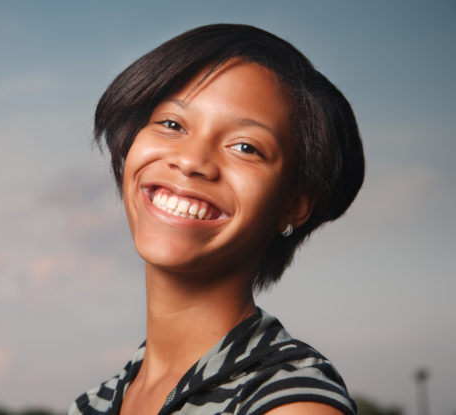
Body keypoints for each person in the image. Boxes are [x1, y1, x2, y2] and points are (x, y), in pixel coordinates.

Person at [68, 24, 364, 415]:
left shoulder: (291, 403)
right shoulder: (92, 405)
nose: (191, 161)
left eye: (246, 147)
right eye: (172, 124)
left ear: (293, 204)